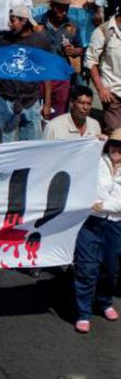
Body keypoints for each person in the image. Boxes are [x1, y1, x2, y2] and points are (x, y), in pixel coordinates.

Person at [72, 130, 121, 333]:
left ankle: (104, 301)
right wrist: (93, 140)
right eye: (114, 144)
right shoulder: (97, 160)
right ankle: (83, 313)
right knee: (86, 267)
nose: (117, 149)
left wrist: (105, 205)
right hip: (91, 222)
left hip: (115, 224)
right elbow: (76, 156)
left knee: (111, 269)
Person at [1, 5, 54, 141]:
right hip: (8, 100)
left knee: (32, 147)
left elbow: (46, 73)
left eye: (13, 20)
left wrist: (47, 103)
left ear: (24, 21)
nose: (9, 24)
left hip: (31, 100)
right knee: (7, 148)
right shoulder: (5, 40)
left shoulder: (40, 41)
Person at [33, 0, 83, 115]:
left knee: (59, 111)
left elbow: (81, 48)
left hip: (62, 76)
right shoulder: (37, 24)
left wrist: (74, 50)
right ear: (52, 6)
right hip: (39, 75)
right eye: (60, 8)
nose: (64, 12)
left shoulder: (72, 26)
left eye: (66, 8)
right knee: (36, 110)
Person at [86, 8, 121, 131]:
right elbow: (91, 61)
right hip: (112, 92)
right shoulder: (103, 31)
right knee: (116, 133)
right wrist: (101, 88)